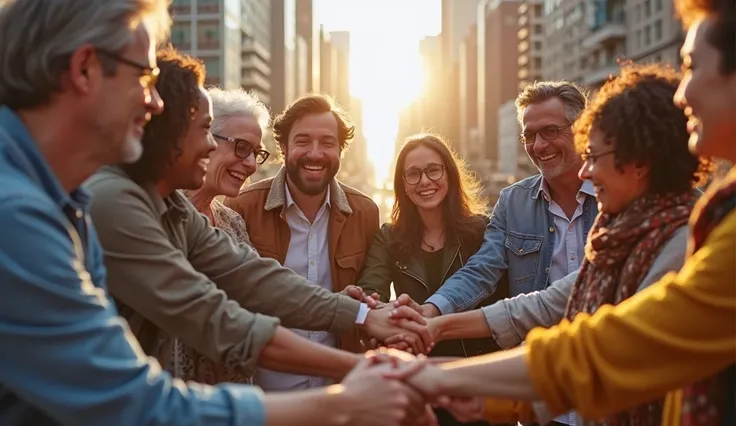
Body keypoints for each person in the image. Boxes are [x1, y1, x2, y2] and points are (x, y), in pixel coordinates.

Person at [0, 1, 427, 425]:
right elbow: (143, 393)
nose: (154, 104)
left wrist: (365, 317)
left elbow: (251, 275)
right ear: (85, 69)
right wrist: (349, 394)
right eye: (145, 77)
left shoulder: (134, 200)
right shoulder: (24, 213)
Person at [382, 1, 736, 425]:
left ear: (637, 160)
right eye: (529, 135)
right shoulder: (613, 230)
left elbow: (604, 347)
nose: (684, 92)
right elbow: (540, 301)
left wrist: (439, 378)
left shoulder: (689, 231)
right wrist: (436, 321)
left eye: (692, 66)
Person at [391, 81, 595, 426]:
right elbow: (482, 270)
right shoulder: (513, 202)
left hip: (614, 392)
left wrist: (436, 327)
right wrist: (430, 309)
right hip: (541, 399)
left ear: (583, 130)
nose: (539, 145)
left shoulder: (618, 198)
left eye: (550, 131)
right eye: (529, 136)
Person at [223, 93, 417, 392]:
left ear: (341, 150)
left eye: (327, 143)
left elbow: (370, 290)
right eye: (303, 141)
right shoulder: (241, 207)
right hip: (264, 393)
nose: (315, 153)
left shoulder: (364, 211)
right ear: (283, 148)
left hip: (340, 390)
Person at [356, 133, 506, 426]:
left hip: (478, 376)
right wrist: (387, 316)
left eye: (433, 170)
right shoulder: (389, 237)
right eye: (413, 174)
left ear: (449, 175)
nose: (425, 181)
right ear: (403, 185)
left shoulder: (481, 231)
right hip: (418, 379)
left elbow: (499, 299)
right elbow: (371, 291)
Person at [175, 87, 270, 384]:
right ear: (203, 138)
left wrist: (349, 308)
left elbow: (264, 291)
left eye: (257, 153)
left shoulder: (233, 223)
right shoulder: (156, 214)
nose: (252, 164)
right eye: (242, 147)